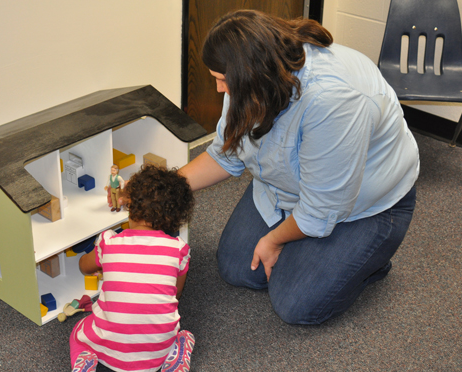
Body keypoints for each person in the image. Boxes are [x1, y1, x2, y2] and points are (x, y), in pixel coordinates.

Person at [179, 10, 419, 325]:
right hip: (288, 187)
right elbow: (227, 155)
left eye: (223, 81)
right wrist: (165, 185)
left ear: (250, 74)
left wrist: (274, 239)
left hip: (364, 203)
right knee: (238, 269)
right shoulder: (252, 75)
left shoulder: (333, 100)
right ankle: (314, 252)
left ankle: (369, 259)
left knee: (296, 305)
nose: (220, 90)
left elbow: (322, 207)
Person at [70, 165, 196, 372]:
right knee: (180, 333)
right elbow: (177, 292)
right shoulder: (180, 249)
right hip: (157, 349)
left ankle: (84, 359)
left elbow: (84, 266)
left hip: (110, 346)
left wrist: (106, 266)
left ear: (129, 204)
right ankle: (175, 356)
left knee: (78, 331)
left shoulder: (108, 242)